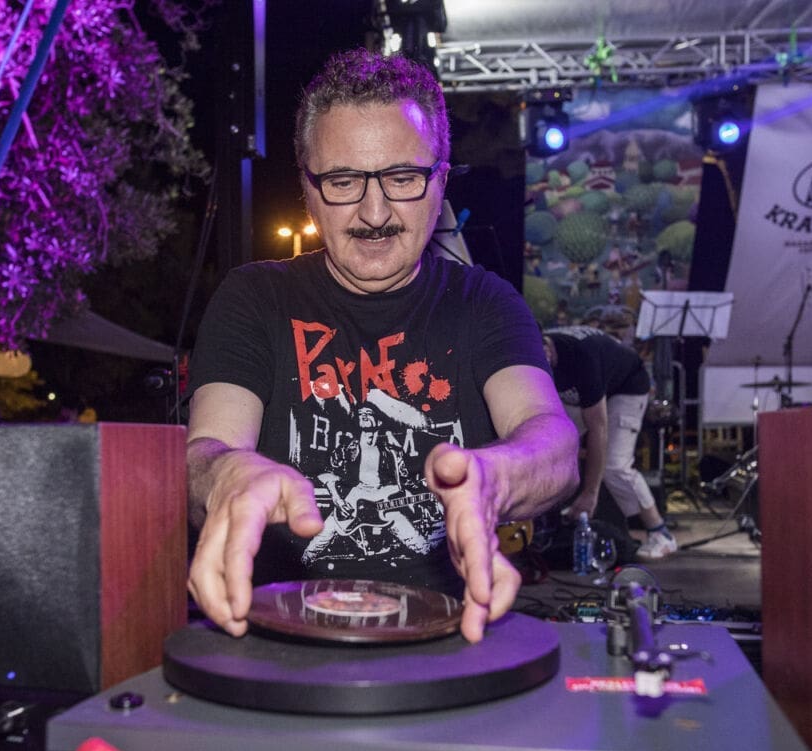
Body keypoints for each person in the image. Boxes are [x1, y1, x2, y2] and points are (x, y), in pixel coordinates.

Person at [185, 48, 578, 643]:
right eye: (343, 181)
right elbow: (206, 450)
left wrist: (494, 476)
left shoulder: (486, 302)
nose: (374, 213)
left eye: (402, 178)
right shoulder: (253, 298)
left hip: (450, 643)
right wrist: (225, 477)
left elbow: (552, 440)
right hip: (273, 642)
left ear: (441, 180)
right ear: (308, 189)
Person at [542, 325, 677, 559]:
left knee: (615, 465)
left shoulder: (581, 359)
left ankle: (660, 532)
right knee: (551, 446)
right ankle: (549, 523)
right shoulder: (535, 356)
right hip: (585, 392)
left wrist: (590, 493)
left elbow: (598, 428)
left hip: (626, 386)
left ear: (546, 347)